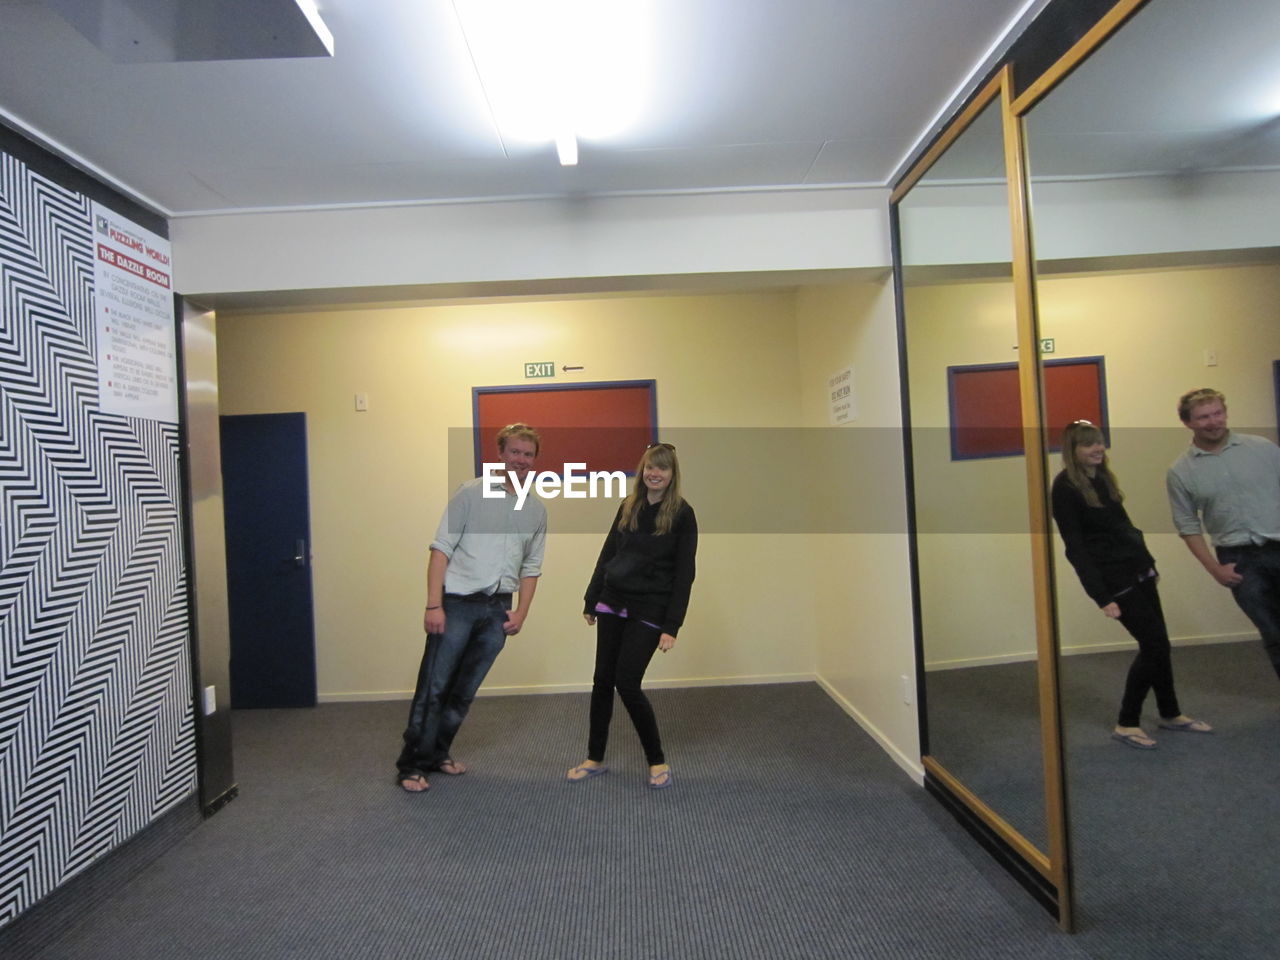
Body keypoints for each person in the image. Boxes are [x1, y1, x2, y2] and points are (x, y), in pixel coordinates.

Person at [396, 423, 547, 793]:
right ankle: (411, 765)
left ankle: (438, 754)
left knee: (464, 691)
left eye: (528, 455)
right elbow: (440, 549)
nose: (521, 460)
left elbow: (531, 567)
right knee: (434, 686)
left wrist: (521, 612)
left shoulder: (536, 509)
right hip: (458, 604)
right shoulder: (471, 493)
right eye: (514, 452)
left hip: (498, 610)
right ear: (500, 454)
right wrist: (434, 604)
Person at [1051, 420, 1210, 749]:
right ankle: (1127, 722)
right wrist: (1100, 595)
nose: (1098, 448)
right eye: (1088, 444)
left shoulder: (1103, 479)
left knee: (1160, 644)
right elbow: (1075, 547)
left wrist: (1148, 563)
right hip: (1113, 579)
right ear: (1073, 450)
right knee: (1153, 645)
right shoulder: (1065, 488)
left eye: (1099, 442)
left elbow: (1124, 528)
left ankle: (1170, 713)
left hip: (1139, 570)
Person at [568, 442, 697, 789]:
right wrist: (591, 598)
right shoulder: (628, 507)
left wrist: (672, 626)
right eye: (650, 467)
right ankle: (594, 758)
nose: (655, 473)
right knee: (602, 681)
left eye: (663, 468)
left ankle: (656, 760)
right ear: (642, 471)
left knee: (627, 682)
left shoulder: (682, 514)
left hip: (650, 608)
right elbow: (608, 553)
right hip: (613, 601)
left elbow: (685, 574)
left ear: (672, 475)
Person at [1167, 388, 1280, 682]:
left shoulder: (1262, 448)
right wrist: (1213, 569)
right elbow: (1187, 525)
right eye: (1203, 417)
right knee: (1272, 631)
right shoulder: (1181, 471)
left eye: (1218, 413)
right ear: (1188, 423)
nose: (1213, 421)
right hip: (1239, 559)